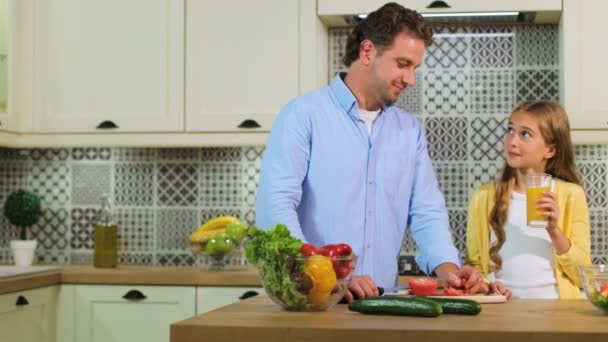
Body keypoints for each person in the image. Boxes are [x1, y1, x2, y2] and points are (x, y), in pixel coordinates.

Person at [255, 2, 487, 302]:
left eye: (415, 68)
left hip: (384, 304)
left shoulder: (409, 131)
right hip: (315, 305)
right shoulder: (303, 116)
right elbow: (276, 207)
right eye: (403, 64)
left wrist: (448, 270)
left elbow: (426, 212)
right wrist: (327, 275)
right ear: (367, 52)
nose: (411, 79)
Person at [466, 100, 591, 299]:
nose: (512, 141)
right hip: (500, 312)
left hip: (558, 312)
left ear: (550, 150)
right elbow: (474, 266)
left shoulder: (571, 195)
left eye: (525, 134)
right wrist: (486, 285)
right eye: (510, 130)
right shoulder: (484, 196)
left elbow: (582, 275)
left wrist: (554, 231)